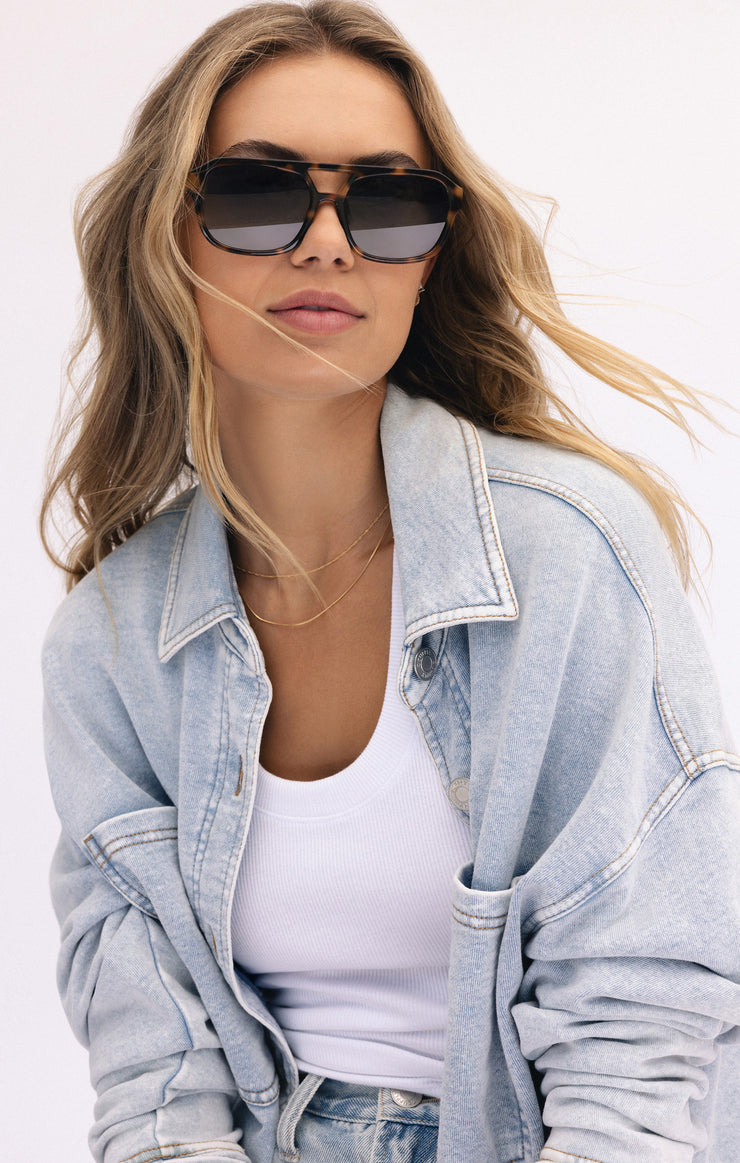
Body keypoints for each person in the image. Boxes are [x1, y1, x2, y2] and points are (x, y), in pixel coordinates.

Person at [40, 3, 740, 1162]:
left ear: (432, 255)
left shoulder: (565, 554)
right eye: (256, 192)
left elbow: (641, 1027)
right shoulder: (109, 637)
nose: (327, 242)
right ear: (168, 234)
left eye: (387, 200)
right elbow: (156, 1085)